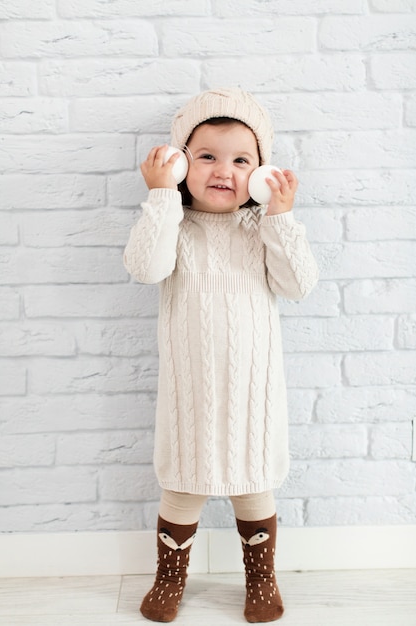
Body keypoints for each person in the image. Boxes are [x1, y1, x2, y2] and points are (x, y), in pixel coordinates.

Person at [123, 87, 319, 623]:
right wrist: (161, 196)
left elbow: (298, 284)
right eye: (206, 156)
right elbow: (145, 266)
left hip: (252, 397)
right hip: (189, 395)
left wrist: (281, 216)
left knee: (253, 487)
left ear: (261, 171)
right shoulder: (175, 227)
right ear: (181, 161)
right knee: (181, 487)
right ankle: (169, 577)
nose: (222, 171)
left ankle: (261, 577)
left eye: (241, 160)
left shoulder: (259, 229)